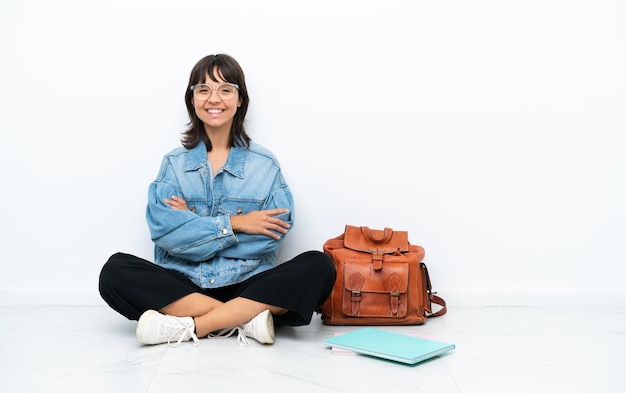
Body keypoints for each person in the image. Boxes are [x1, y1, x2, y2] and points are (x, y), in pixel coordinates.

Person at [98, 54, 336, 347]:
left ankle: (194, 326)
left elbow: (272, 236)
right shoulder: (174, 164)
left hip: (247, 284)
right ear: (193, 99)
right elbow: (165, 232)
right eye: (203, 89)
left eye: (225, 89)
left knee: (319, 265)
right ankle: (245, 320)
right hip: (185, 285)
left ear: (239, 100)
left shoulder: (264, 165)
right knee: (115, 271)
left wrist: (194, 228)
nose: (214, 98)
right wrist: (237, 224)